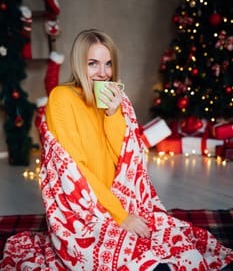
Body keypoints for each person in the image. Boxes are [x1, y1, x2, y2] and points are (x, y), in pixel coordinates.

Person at [1, 29, 233, 271]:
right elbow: (76, 173)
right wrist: (121, 217)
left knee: (179, 246)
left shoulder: (112, 101)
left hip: (119, 200)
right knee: (139, 261)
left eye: (108, 64)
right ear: (80, 65)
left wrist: (113, 113)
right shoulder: (62, 98)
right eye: (93, 63)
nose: (103, 72)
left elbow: (124, 162)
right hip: (82, 211)